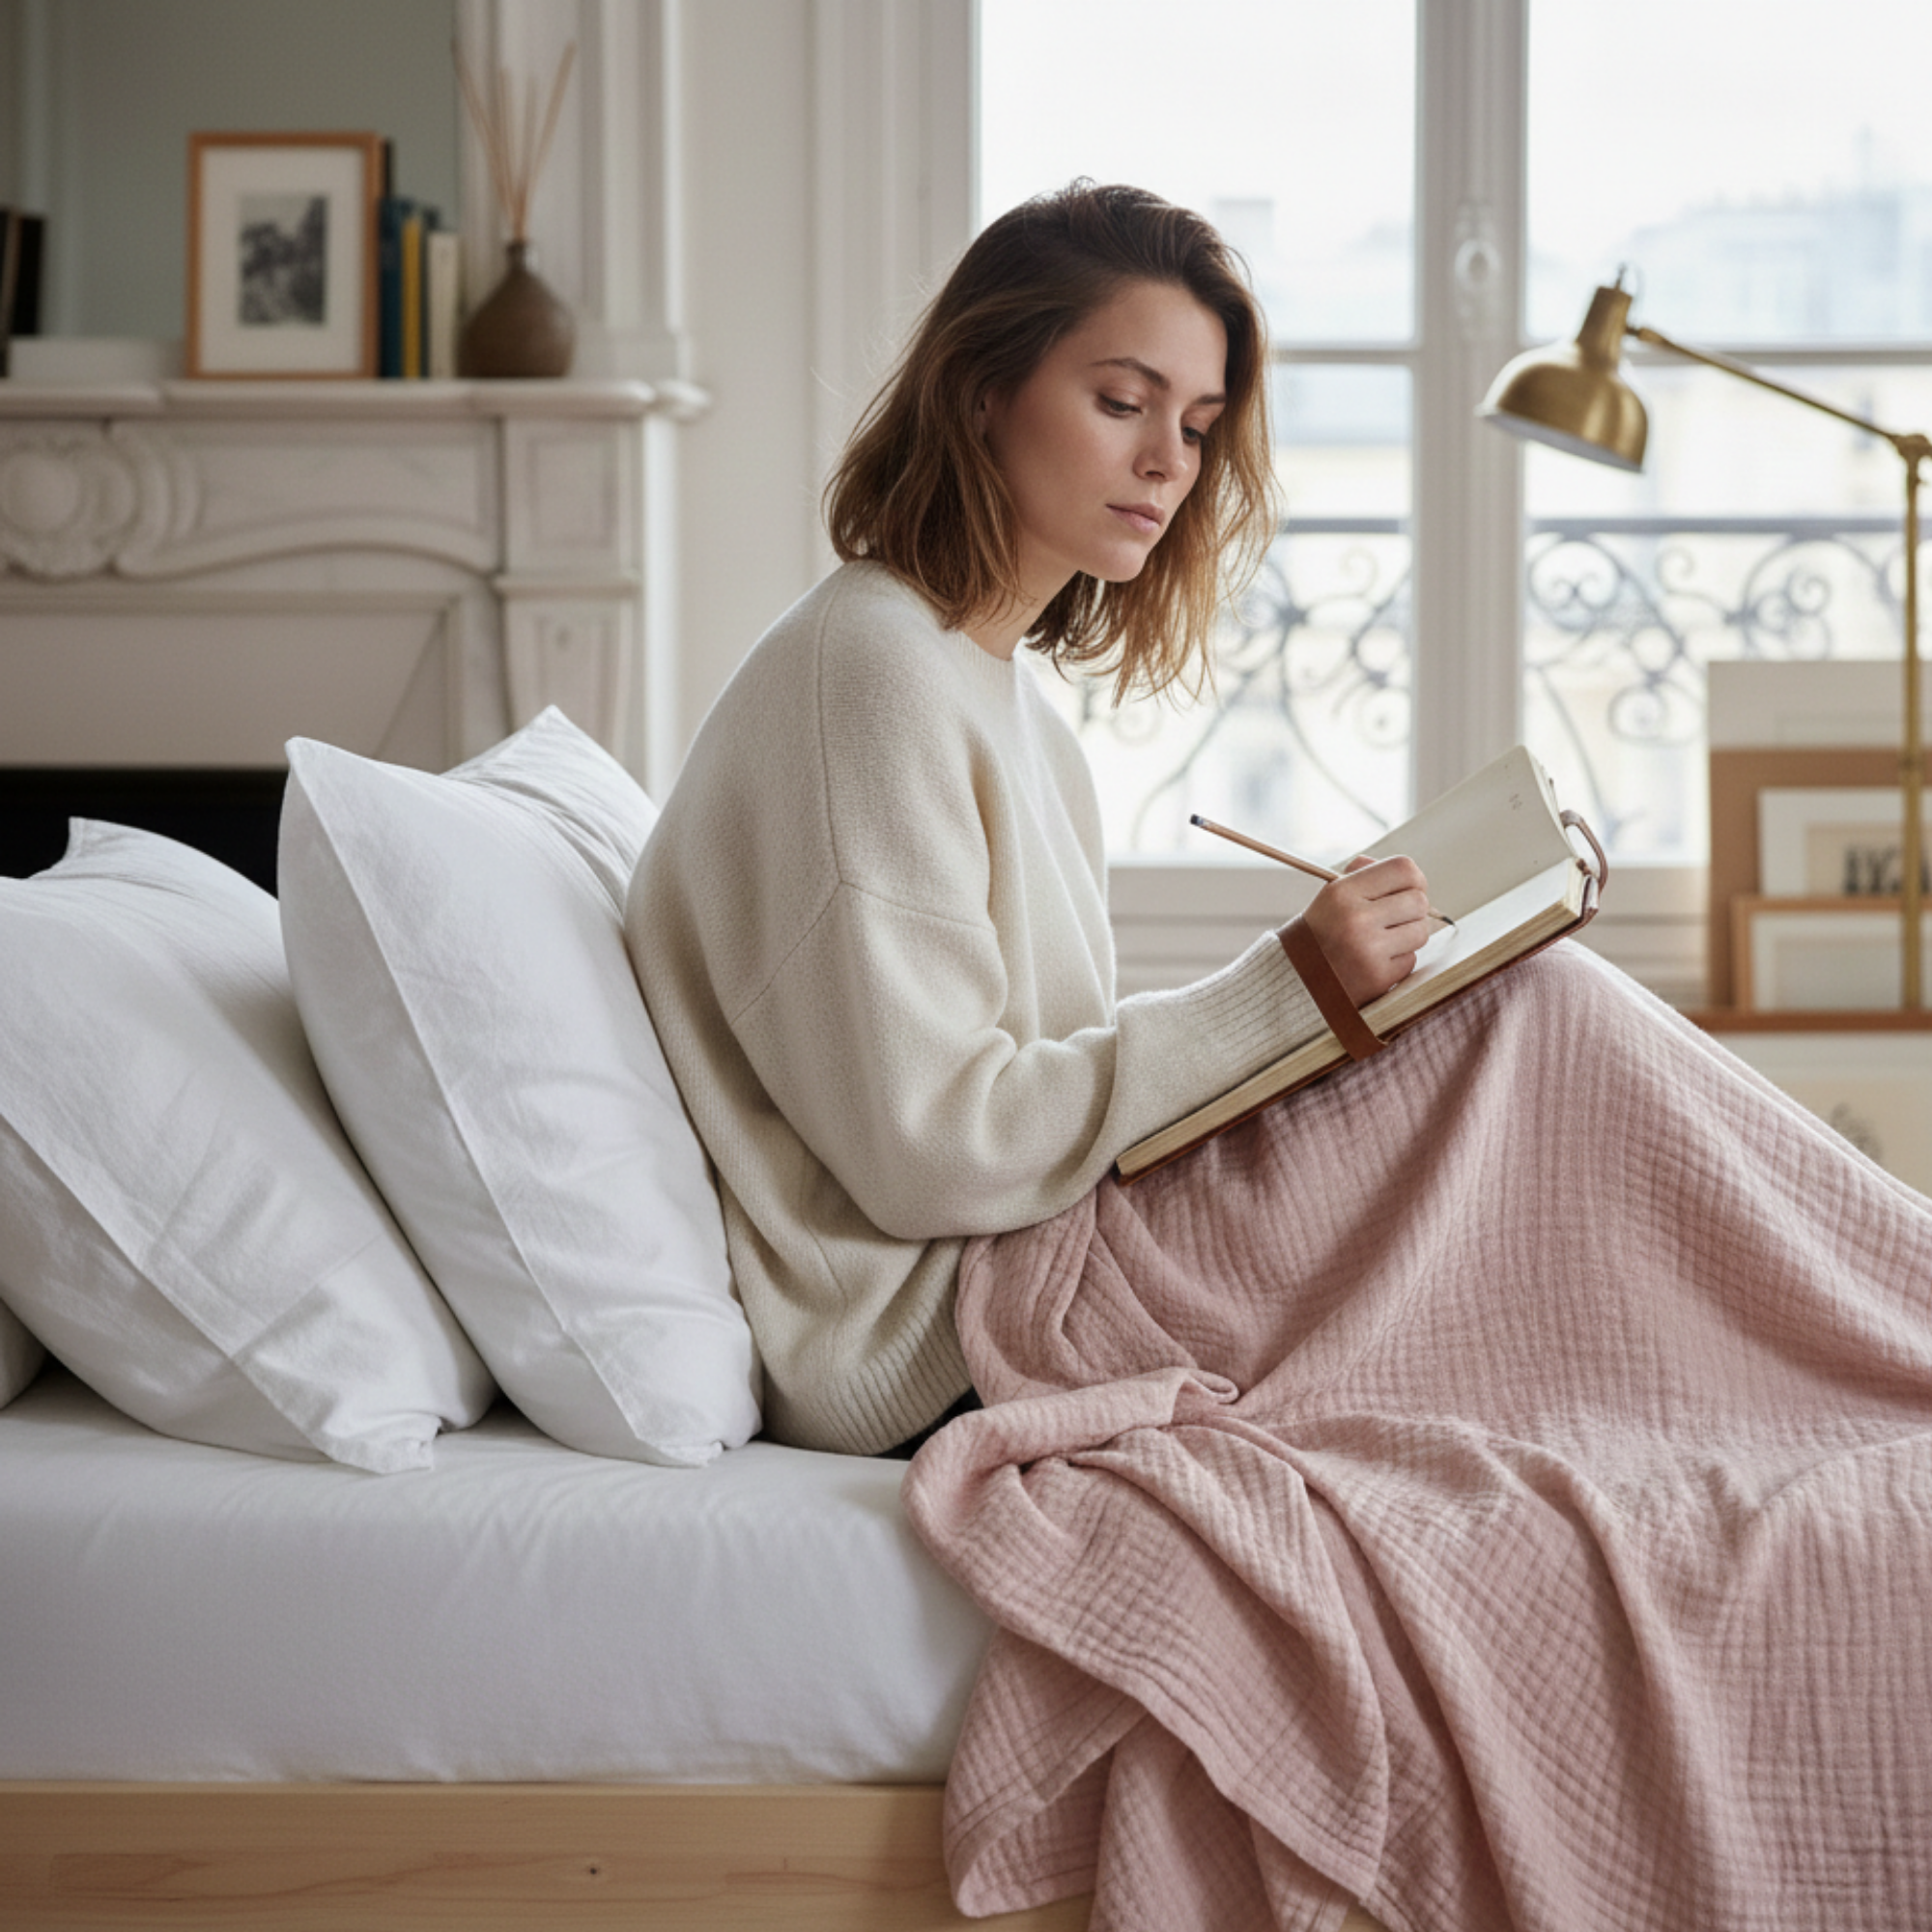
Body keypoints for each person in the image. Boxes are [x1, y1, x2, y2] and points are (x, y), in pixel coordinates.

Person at [627, 179, 1440, 1456]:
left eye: (1200, 423)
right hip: (929, 1334)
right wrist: (1286, 991)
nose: (1169, 460)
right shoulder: (871, 670)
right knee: (1519, 1056)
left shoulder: (1011, 708)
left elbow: (1042, 1096)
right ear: (981, 393)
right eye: (1122, 403)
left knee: (1492, 1043)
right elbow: (937, 1148)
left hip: (1036, 1266)